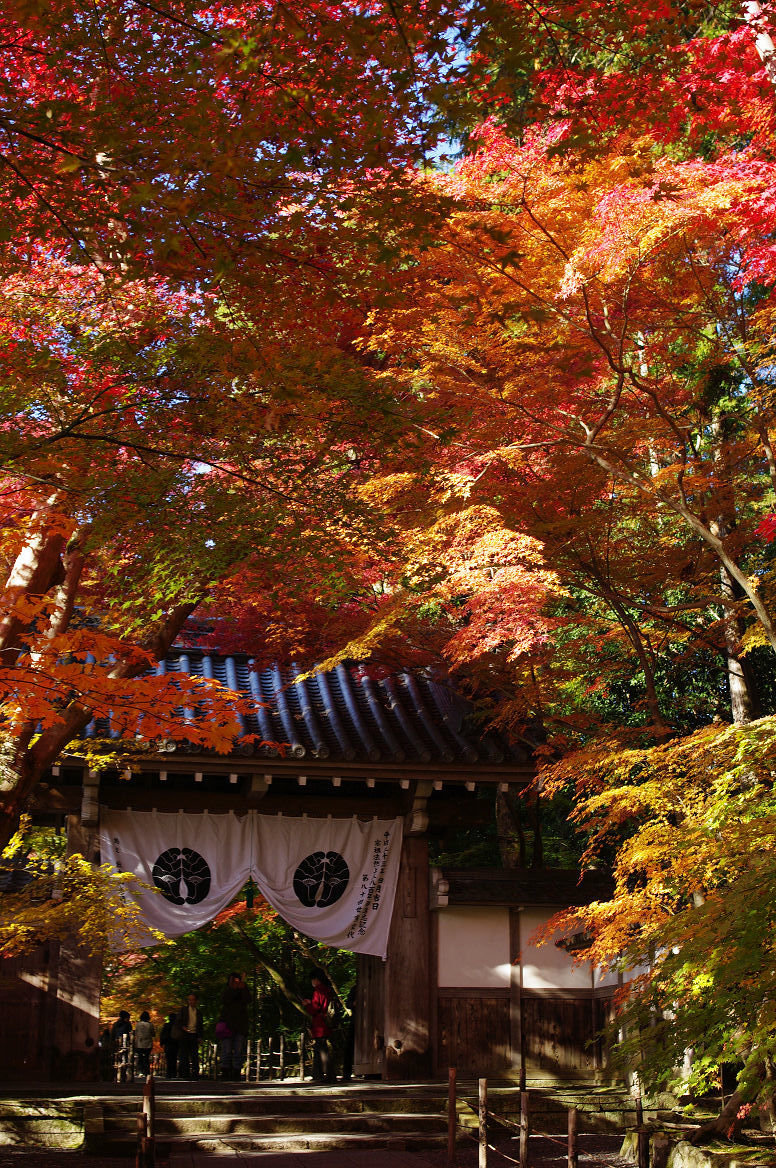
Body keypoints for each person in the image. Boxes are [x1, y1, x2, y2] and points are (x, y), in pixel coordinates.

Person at [302, 968, 336, 1084]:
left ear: (316, 980)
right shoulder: (328, 990)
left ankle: (328, 1075)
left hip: (320, 1024)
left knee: (321, 1050)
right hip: (326, 1023)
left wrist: (307, 1005)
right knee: (319, 1050)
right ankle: (318, 1074)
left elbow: (315, 1009)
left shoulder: (318, 991)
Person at [217, 971, 250, 1080]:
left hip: (240, 1026)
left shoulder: (243, 990)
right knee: (226, 1050)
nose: (236, 982)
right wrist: (234, 989)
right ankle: (225, 1072)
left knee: (238, 1050)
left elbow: (248, 1000)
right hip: (227, 1025)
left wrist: (243, 988)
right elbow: (225, 1001)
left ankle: (236, 1072)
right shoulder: (227, 991)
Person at [177, 992, 204, 1080]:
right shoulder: (183, 1010)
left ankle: (195, 1074)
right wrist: (183, 1028)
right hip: (185, 1035)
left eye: (193, 1000)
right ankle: (185, 1074)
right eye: (189, 1000)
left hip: (194, 1035)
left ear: (196, 1001)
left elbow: (200, 1025)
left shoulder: (199, 1012)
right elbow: (178, 1021)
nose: (191, 1001)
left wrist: (200, 1037)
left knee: (194, 1055)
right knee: (184, 1055)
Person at [159, 1012, 180, 1079]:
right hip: (175, 1044)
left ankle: (168, 1073)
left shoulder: (166, 1025)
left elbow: (162, 1034)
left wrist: (162, 1043)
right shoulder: (177, 1026)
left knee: (169, 1059)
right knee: (174, 1058)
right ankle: (174, 1073)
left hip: (168, 1044)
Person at [135, 1010, 155, 1076]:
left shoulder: (138, 1024)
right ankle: (146, 1071)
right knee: (146, 1058)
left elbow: (136, 1033)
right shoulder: (150, 1025)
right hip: (148, 1043)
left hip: (140, 1043)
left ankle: (140, 1071)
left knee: (140, 1057)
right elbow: (153, 1034)